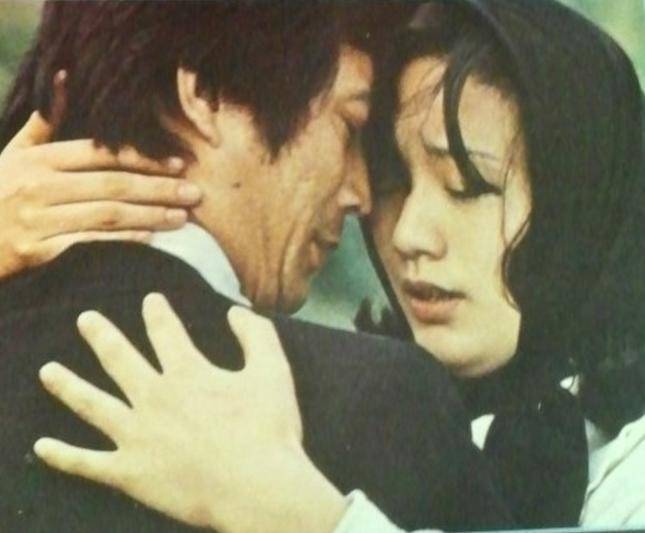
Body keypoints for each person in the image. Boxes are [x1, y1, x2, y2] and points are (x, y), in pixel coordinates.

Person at [27, 0, 645, 531]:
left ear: (582, 202)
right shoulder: (326, 398)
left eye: (466, 185)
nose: (407, 233)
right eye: (393, 180)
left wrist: (305, 517)